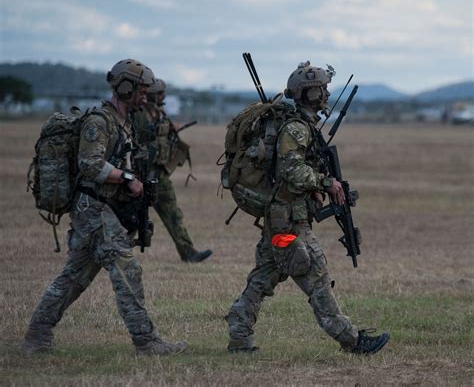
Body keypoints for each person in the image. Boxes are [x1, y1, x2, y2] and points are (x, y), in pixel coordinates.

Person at [21, 59, 188, 357]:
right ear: (124, 87)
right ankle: (146, 342)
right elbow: (90, 164)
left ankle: (37, 335)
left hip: (102, 209)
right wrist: (126, 178)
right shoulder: (99, 122)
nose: (145, 97)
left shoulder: (124, 123)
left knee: (75, 277)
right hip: (94, 209)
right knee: (128, 270)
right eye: (140, 90)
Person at [225, 61, 390, 355]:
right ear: (311, 94)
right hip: (288, 223)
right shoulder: (297, 129)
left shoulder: (301, 125)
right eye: (322, 89)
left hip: (281, 219)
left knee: (264, 277)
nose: (326, 93)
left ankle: (239, 333)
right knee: (316, 277)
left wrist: (317, 189)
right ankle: (351, 340)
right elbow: (292, 171)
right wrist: (326, 183)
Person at [133, 78, 212, 263]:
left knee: (173, 214)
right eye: (160, 93)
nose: (163, 96)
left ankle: (189, 253)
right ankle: (117, 253)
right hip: (139, 176)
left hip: (160, 175)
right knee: (131, 218)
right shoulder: (138, 114)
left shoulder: (160, 114)